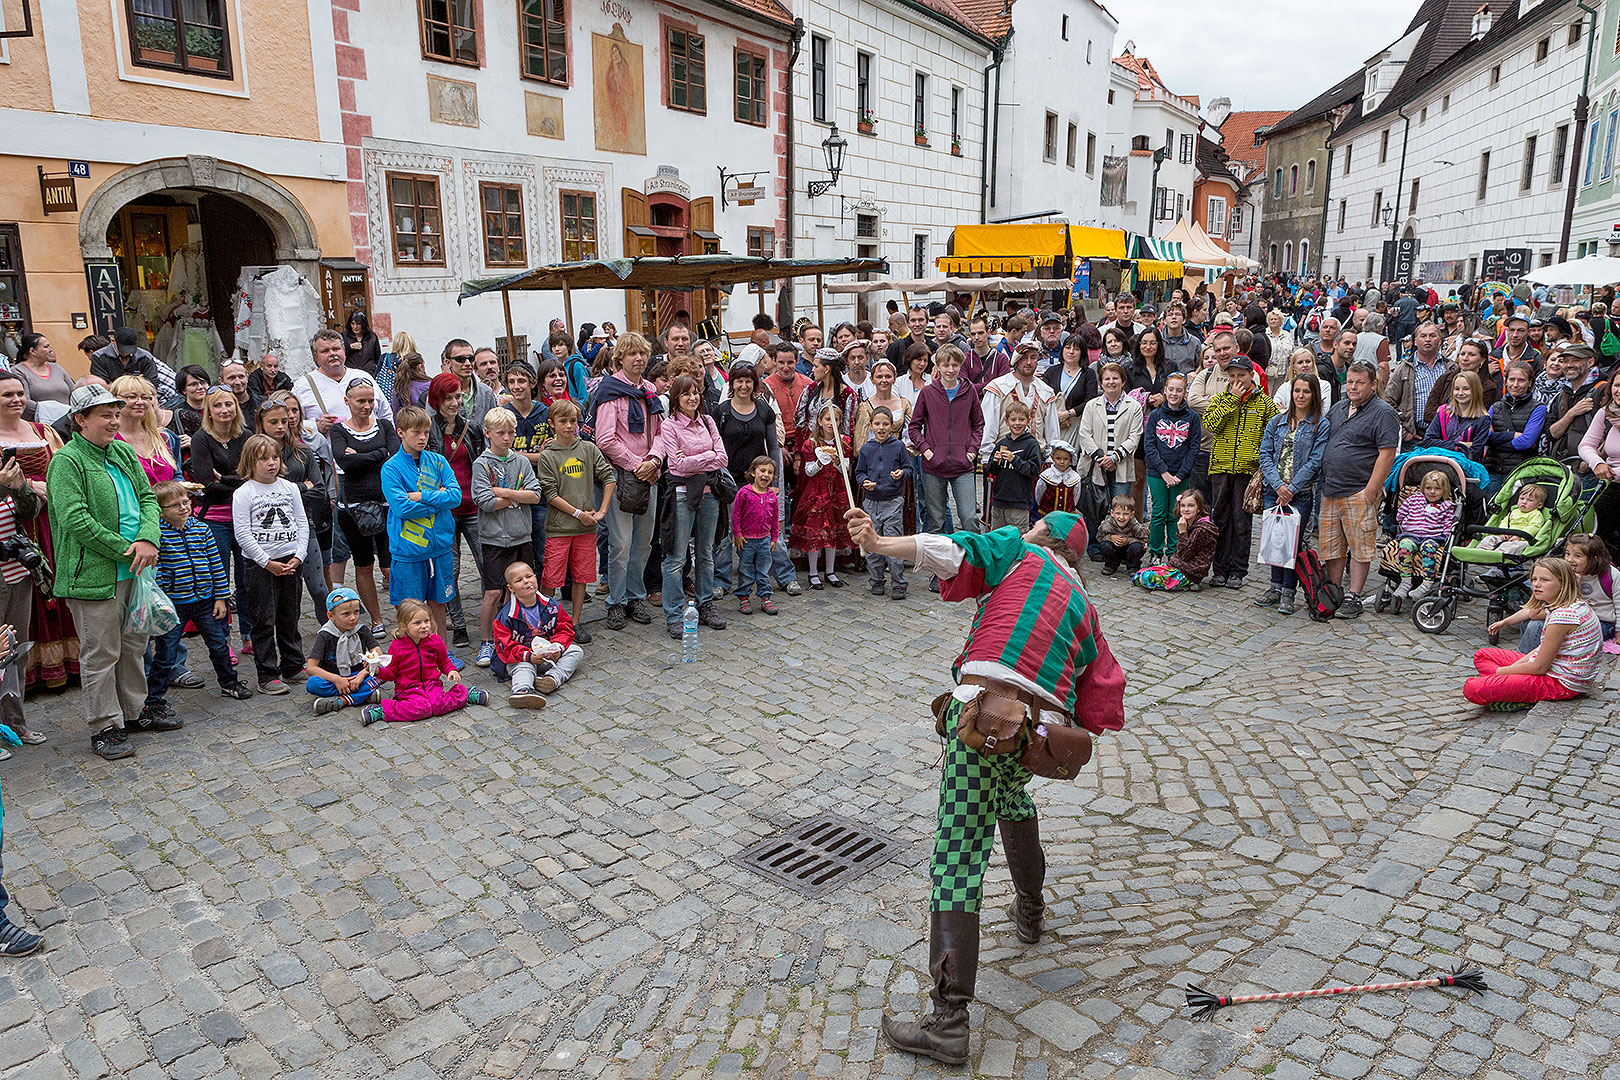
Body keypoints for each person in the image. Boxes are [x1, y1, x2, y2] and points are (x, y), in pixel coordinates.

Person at [844, 507, 1123, 1067]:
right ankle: (1031, 908)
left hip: (982, 719)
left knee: (956, 858)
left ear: (1043, 536)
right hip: (1033, 732)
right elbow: (1101, 701)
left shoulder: (1017, 550)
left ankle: (948, 1022)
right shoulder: (1087, 610)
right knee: (1013, 795)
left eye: (1036, 526)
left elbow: (952, 551)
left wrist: (878, 542)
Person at [48, 385, 163, 760]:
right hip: (94, 573)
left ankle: (133, 711)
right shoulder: (67, 462)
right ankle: (104, 725)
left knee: (133, 645)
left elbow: (148, 497)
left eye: (117, 414)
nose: (114, 421)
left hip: (135, 568)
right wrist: (126, 548)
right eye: (105, 415)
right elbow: (74, 518)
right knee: (101, 653)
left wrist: (148, 537)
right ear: (80, 420)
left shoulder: (123, 451)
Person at [149, 480, 251, 717]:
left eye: (186, 502)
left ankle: (229, 683)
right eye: (175, 505)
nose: (183, 508)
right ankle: (154, 699)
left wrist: (221, 597)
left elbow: (217, 565)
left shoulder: (201, 529)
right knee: (165, 653)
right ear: (160, 510)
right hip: (175, 604)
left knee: (218, 645)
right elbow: (159, 570)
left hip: (206, 601)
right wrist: (165, 598)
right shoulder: (158, 535)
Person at [594, 333, 665, 631]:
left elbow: (663, 431)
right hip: (622, 476)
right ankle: (616, 600)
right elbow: (605, 439)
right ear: (620, 358)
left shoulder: (649, 390)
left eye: (642, 354)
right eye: (632, 354)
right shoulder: (610, 391)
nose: (639, 359)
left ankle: (636, 596)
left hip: (650, 475)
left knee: (643, 542)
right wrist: (638, 465)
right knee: (621, 543)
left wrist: (655, 460)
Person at [1319, 361, 1401, 617]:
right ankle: (1335, 591)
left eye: (1360, 382)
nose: (1353, 387)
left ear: (1373, 384)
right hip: (1331, 488)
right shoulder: (1339, 407)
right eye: (1350, 381)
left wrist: (1370, 491)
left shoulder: (1383, 412)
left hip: (1359, 489)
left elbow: (1386, 454)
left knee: (1360, 546)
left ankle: (1354, 594)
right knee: (1332, 546)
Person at [1469, 558, 1602, 710]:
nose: (1536, 584)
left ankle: (1517, 696)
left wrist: (1501, 672)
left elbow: (1539, 667)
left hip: (1561, 682)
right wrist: (1512, 670)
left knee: (1473, 688)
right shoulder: (1568, 604)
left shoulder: (1563, 615)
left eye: (1544, 580)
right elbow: (1541, 648)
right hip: (1553, 667)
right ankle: (1508, 688)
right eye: (1534, 579)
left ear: (1563, 583)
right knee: (1482, 655)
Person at [232, 434, 308, 695]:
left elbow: (301, 523)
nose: (271, 463)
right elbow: (242, 533)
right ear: (250, 462)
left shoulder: (290, 488)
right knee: (263, 618)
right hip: (260, 565)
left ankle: (293, 664)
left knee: (290, 614)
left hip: (290, 561)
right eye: (263, 459)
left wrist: (299, 555)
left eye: (274, 457)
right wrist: (266, 562)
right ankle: (267, 673)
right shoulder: (244, 493)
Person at [656, 374, 729, 634]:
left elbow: (722, 459)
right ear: (676, 398)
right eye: (686, 393)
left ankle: (706, 603)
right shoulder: (669, 426)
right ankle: (674, 614)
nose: (692, 397)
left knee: (706, 553)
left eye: (696, 392)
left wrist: (693, 459)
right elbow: (675, 465)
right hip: (682, 494)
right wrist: (704, 458)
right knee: (676, 558)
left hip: (710, 493)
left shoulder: (708, 422)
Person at [535, 399, 613, 642]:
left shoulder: (588, 449)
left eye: (573, 421)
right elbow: (551, 494)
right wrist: (579, 514)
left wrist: (601, 512)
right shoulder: (548, 456)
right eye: (563, 422)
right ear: (552, 424)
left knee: (581, 577)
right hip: (559, 528)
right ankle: (547, 623)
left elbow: (608, 478)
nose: (569, 426)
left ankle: (575, 621)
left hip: (586, 529)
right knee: (551, 578)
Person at [382, 406, 462, 639]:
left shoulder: (438, 461)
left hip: (440, 550)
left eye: (426, 432)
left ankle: (442, 656)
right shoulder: (391, 468)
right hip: (409, 551)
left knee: (439, 604)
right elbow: (402, 508)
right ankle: (415, 661)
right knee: (412, 611)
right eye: (416, 432)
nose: (422, 438)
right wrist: (439, 498)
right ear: (401, 432)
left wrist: (422, 496)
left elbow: (455, 497)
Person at [471, 408, 543, 665]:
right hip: (494, 539)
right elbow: (485, 502)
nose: (507, 437)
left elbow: (535, 496)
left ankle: (519, 636)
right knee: (493, 592)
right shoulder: (482, 463)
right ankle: (487, 641)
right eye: (501, 433)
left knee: (521, 590)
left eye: (511, 432)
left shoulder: (522, 461)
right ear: (488, 433)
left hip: (521, 535)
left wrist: (505, 492)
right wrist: (517, 496)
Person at [1201, 356, 1279, 589]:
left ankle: (1238, 570)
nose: (1236, 380)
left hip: (1247, 469)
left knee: (1242, 521)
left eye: (1241, 375)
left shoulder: (1264, 403)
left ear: (1251, 376)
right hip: (1221, 467)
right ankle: (1220, 569)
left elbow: (1274, 431)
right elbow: (1211, 424)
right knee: (1220, 520)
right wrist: (1231, 401)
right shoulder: (1221, 399)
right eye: (1232, 376)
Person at [328, 379, 398, 637]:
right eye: (361, 401)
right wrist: (377, 454)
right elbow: (344, 462)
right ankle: (377, 619)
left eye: (371, 401)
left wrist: (360, 455)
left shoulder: (385, 425)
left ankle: (404, 614)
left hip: (387, 505)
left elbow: (393, 454)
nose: (367, 406)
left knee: (391, 566)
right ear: (348, 402)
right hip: (354, 509)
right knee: (363, 565)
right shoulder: (339, 431)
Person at [1255, 375, 1329, 613]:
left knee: (1292, 543)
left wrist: (1292, 488)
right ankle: (1274, 586)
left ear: (1313, 394)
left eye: (1306, 391)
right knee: (1275, 540)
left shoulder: (1320, 425)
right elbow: (1265, 454)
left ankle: (1289, 591)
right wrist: (1278, 485)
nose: (1300, 396)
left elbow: (1315, 461)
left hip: (1301, 492)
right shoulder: (1277, 422)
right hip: (1274, 490)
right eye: (1297, 391)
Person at [424, 373, 486, 648]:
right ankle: (458, 623)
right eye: (448, 398)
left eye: (458, 396)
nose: (454, 403)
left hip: (473, 508)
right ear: (437, 400)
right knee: (450, 572)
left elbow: (482, 464)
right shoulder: (428, 430)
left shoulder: (471, 428)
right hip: (444, 513)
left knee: (487, 566)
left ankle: (492, 618)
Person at [362, 599, 488, 725]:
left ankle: (466, 695)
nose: (424, 626)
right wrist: (377, 670)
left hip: (432, 685)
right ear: (403, 626)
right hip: (408, 690)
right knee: (421, 709)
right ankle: (382, 711)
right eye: (417, 623)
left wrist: (451, 670)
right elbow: (391, 673)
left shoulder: (435, 640)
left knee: (438, 705)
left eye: (426, 621)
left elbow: (444, 661)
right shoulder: (397, 646)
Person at [492, 562, 581, 709]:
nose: (526, 582)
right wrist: (529, 656)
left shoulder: (552, 605)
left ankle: (551, 679)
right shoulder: (506, 616)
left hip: (548, 656)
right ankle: (522, 690)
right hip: (522, 657)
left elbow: (565, 629)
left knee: (576, 651)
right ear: (511, 588)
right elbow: (505, 647)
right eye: (519, 580)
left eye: (529, 576)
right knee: (523, 668)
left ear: (535, 577)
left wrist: (557, 648)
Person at [793, 402, 853, 590]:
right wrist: (820, 462)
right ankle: (813, 572)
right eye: (828, 419)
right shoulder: (811, 444)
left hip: (837, 492)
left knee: (832, 532)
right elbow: (809, 471)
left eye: (835, 419)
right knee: (816, 532)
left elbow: (846, 468)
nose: (831, 423)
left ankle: (830, 570)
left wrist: (836, 461)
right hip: (817, 493)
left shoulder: (844, 442)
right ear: (820, 421)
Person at [854, 408, 913, 599]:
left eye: (885, 424)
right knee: (872, 546)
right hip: (871, 503)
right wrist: (864, 482)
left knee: (892, 544)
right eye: (877, 424)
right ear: (871, 426)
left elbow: (908, 468)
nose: (881, 428)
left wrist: (901, 474)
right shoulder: (866, 449)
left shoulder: (898, 447)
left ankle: (898, 583)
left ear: (892, 426)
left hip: (893, 501)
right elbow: (859, 472)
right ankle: (876, 580)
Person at [295, 329, 395, 436]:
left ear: (344, 351)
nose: (332, 354)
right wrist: (316, 426)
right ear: (316, 356)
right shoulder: (303, 386)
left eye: (336, 349)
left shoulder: (364, 377)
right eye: (325, 351)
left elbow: (386, 415)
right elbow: (291, 425)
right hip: (332, 451)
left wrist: (390, 443)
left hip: (374, 449)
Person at [1143, 373, 1200, 562]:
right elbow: (1149, 446)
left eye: (1179, 390)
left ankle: (1175, 552)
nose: (1174, 393)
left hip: (1181, 473)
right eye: (1171, 389)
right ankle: (1156, 552)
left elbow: (1193, 448)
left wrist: (1181, 474)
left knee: (1176, 513)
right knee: (1159, 512)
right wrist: (1164, 472)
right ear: (1165, 391)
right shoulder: (1155, 416)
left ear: (1184, 393)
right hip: (1158, 473)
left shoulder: (1192, 417)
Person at [1383, 469, 1458, 603]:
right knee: (1405, 546)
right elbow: (1400, 514)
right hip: (1411, 534)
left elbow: (1448, 524)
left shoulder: (1447, 505)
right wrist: (1405, 522)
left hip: (1433, 537)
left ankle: (1427, 583)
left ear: (1444, 490)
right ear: (1423, 488)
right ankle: (1405, 582)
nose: (1432, 492)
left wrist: (1446, 537)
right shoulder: (1414, 499)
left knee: (1428, 548)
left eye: (1437, 489)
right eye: (1428, 488)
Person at [305, 587, 380, 714]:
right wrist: (337, 679)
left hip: (358, 676)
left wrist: (362, 674)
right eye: (346, 614)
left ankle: (342, 700)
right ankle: (364, 694)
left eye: (356, 612)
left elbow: (378, 654)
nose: (353, 618)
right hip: (334, 679)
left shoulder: (362, 630)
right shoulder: (325, 635)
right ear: (331, 616)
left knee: (385, 671)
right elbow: (311, 668)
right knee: (313, 684)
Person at [982, 339, 1061, 458]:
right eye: (1024, 357)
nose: (1029, 362)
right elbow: (988, 424)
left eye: (1033, 357)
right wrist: (987, 455)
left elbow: (1052, 431)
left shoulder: (1046, 391)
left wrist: (1051, 457)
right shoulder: (998, 387)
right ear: (1016, 360)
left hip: (1035, 458)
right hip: (1003, 457)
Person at [1134, 490, 1219, 589]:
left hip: (1191, 571)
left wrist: (1182, 532)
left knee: (1146, 578)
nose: (1186, 509)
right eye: (1183, 506)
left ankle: (1190, 582)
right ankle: (1188, 584)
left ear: (1199, 508)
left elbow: (1184, 555)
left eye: (1191, 506)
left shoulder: (1202, 530)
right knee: (1140, 574)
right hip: (1180, 566)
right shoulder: (1189, 523)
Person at [1384, 322, 1449, 444]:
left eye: (1432, 335)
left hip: (1445, 435)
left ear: (1439, 340)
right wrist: (1404, 433)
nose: (1428, 339)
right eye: (1423, 336)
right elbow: (1388, 403)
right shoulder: (1403, 369)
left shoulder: (1450, 368)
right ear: (1415, 341)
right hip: (1415, 435)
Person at [730, 456, 781, 614]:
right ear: (753, 472)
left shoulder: (771, 496)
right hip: (746, 540)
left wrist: (774, 538)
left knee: (764, 571)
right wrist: (737, 534)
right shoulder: (744, 493)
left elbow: (775, 519)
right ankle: (744, 598)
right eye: (762, 471)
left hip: (765, 540)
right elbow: (736, 515)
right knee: (745, 570)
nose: (766, 475)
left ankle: (765, 597)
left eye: (770, 472)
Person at [1483, 362, 1546, 487]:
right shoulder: (1495, 407)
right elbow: (1484, 436)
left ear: (1529, 383)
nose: (1515, 384)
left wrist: (1495, 441)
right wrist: (1513, 435)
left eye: (1521, 380)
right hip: (1492, 469)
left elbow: (1526, 442)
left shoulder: (1538, 408)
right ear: (1506, 381)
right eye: (1512, 379)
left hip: (1520, 472)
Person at [985, 401, 1042, 532]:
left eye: (1021, 420)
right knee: (997, 537)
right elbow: (991, 471)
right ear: (1006, 421)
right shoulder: (1001, 443)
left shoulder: (1031, 444)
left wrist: (1014, 459)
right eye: (1013, 419)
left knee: (1017, 538)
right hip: (999, 500)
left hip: (1019, 502)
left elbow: (1033, 470)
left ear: (1028, 421)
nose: (1017, 423)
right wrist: (995, 462)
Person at [12, 333, 74, 422]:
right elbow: (24, 401)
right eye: (46, 347)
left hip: (67, 422)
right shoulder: (18, 371)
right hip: (40, 425)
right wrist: (56, 412)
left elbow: (74, 392)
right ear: (33, 351)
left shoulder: (57, 368)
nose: (50, 350)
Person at [1475, 483, 1548, 554]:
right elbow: (1505, 522)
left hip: (1523, 540)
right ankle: (1481, 554)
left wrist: (1520, 536)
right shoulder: (1514, 511)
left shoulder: (1536, 514)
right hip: (1507, 535)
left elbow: (1535, 527)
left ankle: (1495, 557)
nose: (1524, 502)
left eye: (1530, 500)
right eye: (1522, 498)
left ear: (1539, 505)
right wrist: (1503, 531)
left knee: (1510, 546)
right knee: (1489, 539)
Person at [1095, 495, 1147, 575]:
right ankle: (1111, 565)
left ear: (1132, 514)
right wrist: (1110, 537)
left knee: (1136, 547)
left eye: (1125, 514)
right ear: (1112, 513)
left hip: (1130, 549)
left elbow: (1144, 540)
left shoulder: (1136, 527)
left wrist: (1128, 541)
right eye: (1118, 513)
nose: (1121, 517)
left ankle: (1133, 567)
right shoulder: (1106, 525)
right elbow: (1099, 538)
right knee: (1105, 545)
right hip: (1114, 549)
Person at [1034, 441, 1083, 519]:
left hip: (1066, 516)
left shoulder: (1075, 478)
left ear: (1070, 460)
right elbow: (1039, 493)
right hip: (1047, 516)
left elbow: (1075, 496)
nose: (1062, 462)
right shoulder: (1046, 476)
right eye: (1058, 458)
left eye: (1066, 459)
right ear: (1052, 458)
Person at [342, 311, 382, 375]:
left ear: (363, 324)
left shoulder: (372, 336)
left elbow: (378, 357)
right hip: (351, 373)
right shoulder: (344, 336)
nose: (355, 326)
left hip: (369, 372)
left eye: (358, 324)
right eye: (352, 323)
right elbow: (340, 354)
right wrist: (350, 347)